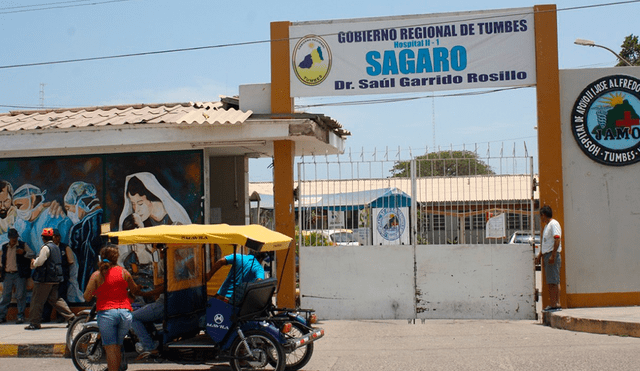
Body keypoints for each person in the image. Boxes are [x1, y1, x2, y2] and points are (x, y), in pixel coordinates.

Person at [83, 245, 142, 371]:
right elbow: (134, 289)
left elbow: (87, 296)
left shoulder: (97, 275)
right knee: (117, 346)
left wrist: (96, 292)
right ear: (116, 258)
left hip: (106, 314)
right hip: (125, 314)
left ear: (101, 257)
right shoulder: (123, 272)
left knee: (110, 349)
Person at [25, 228, 75, 330]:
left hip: (44, 279)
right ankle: (72, 318)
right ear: (52, 237)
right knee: (56, 299)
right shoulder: (56, 247)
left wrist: (34, 262)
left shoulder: (45, 248)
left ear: (43, 238)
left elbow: (40, 262)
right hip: (55, 278)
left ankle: (34, 323)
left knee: (37, 300)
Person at [12, 184, 72, 257]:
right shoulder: (21, 223)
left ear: (33, 198)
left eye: (19, 206)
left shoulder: (52, 217)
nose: (17, 211)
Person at [64, 181, 103, 292]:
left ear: (80, 204)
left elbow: (87, 262)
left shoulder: (83, 228)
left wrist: (85, 289)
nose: (69, 213)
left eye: (68, 208)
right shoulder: (101, 218)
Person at [118, 172, 191, 231]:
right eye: (133, 204)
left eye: (140, 203)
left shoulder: (174, 218)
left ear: (151, 198)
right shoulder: (140, 222)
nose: (136, 210)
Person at [42, 229, 82, 322]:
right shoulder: (46, 248)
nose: (57, 238)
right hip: (49, 277)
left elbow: (71, 261)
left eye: (58, 236)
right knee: (47, 297)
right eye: (55, 236)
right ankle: (45, 316)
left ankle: (62, 316)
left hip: (62, 277)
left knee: (61, 297)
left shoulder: (65, 247)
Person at [0, 228, 34, 324]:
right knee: (6, 296)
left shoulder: (22, 245)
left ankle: (20, 316)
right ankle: (2, 316)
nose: (14, 239)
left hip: (19, 274)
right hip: (7, 274)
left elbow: (32, 254)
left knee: (20, 296)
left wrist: (23, 253)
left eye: (15, 237)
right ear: (9, 238)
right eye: (13, 238)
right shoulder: (5, 247)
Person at [535, 205, 563, 312]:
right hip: (547, 255)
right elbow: (546, 244)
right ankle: (553, 303)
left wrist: (553, 255)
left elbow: (557, 239)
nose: (541, 218)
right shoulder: (547, 226)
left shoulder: (553, 224)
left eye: (541, 216)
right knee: (551, 281)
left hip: (552, 255)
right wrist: (540, 256)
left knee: (554, 281)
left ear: (544, 215)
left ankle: (555, 304)